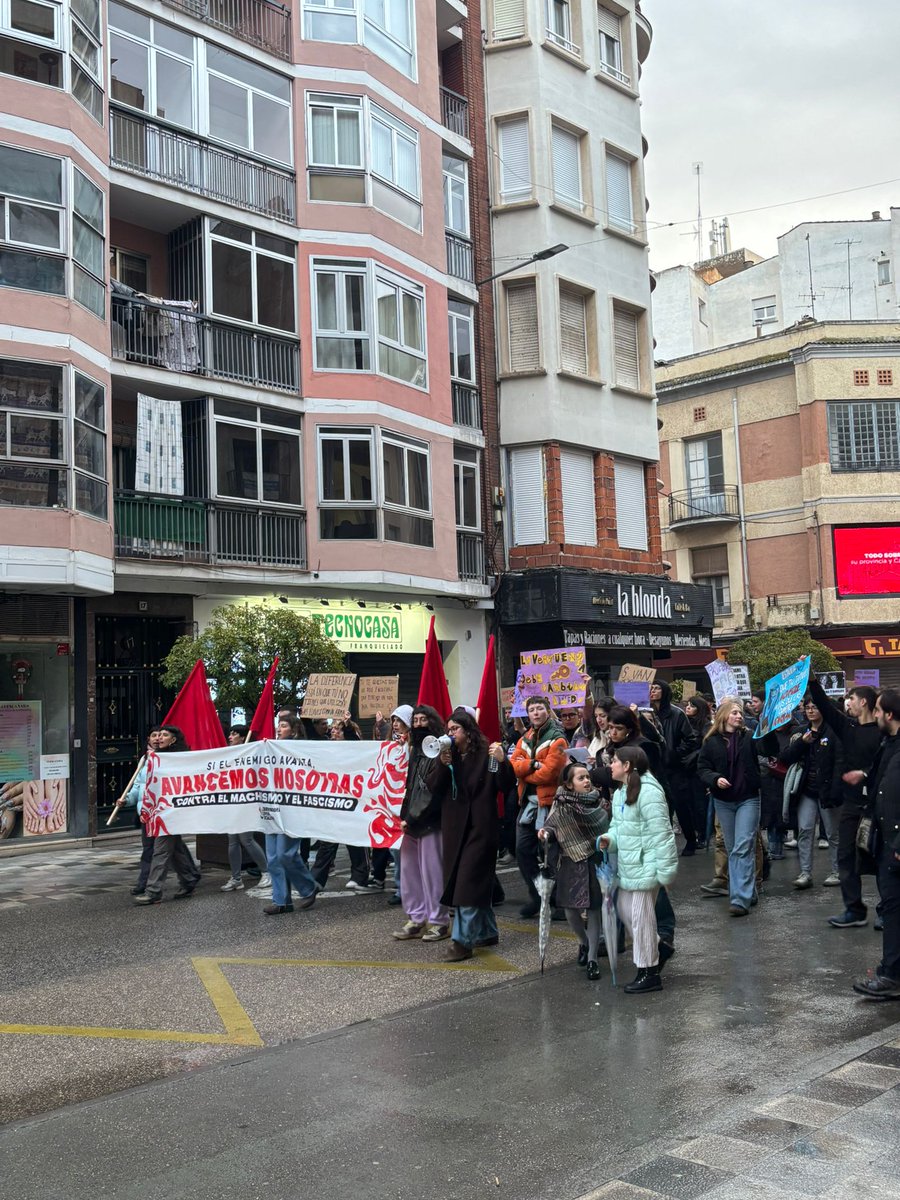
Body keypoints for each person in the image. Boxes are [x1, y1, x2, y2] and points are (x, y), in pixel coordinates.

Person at [426, 708, 514, 961]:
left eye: (455, 729)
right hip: (455, 829)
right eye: (448, 729)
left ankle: (461, 941)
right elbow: (434, 787)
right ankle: (487, 931)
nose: (450, 733)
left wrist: (502, 761)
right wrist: (442, 767)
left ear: (468, 731)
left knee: (466, 885)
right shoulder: (447, 755)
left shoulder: (487, 754)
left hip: (481, 828)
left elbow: (504, 785)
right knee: (472, 882)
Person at [598, 746, 678, 994]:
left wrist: (665, 871)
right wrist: (609, 840)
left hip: (646, 866)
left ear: (628, 766)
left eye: (614, 761)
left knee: (641, 918)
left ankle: (649, 972)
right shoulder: (622, 791)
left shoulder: (649, 792)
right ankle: (659, 948)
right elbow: (618, 827)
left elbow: (662, 834)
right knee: (624, 909)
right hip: (630, 866)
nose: (610, 765)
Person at [806, 678, 881, 930]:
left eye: (852, 698)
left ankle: (886, 910)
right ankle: (854, 909)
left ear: (863, 702)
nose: (847, 702)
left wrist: (866, 774)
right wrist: (812, 679)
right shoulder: (847, 727)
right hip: (851, 804)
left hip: (878, 805)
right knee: (846, 855)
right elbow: (826, 707)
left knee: (881, 858)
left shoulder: (884, 731)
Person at [538, 762, 610, 980]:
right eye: (581, 778)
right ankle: (584, 942)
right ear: (568, 785)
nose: (587, 781)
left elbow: (609, 826)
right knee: (570, 910)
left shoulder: (601, 803)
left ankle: (592, 959)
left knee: (595, 909)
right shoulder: (560, 804)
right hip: (570, 861)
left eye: (587, 777)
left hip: (594, 859)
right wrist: (545, 833)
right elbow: (551, 825)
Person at [852, 689, 900, 1000]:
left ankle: (891, 976)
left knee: (894, 910)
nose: (876, 715)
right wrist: (866, 775)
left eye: (880, 711)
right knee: (892, 907)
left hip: (896, 843)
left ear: (890, 715)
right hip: (886, 840)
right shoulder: (890, 744)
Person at [698, 698, 762, 917]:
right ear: (724, 715)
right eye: (735, 712)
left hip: (748, 798)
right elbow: (703, 768)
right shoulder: (711, 741)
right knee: (734, 846)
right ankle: (749, 890)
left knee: (743, 846)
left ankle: (739, 899)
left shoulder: (749, 736)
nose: (739, 716)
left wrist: (768, 728)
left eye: (741, 713)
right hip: (724, 801)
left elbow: (768, 748)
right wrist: (715, 779)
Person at [392, 705, 451, 942]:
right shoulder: (412, 751)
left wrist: (411, 817)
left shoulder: (439, 751)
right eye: (414, 720)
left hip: (429, 821)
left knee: (432, 873)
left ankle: (439, 922)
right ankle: (416, 918)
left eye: (422, 719)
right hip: (410, 821)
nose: (417, 724)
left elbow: (432, 790)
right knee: (409, 874)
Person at [509, 696, 570, 918]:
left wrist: (526, 773)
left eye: (539, 709)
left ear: (547, 711)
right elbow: (514, 766)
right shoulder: (524, 738)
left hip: (552, 805)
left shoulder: (558, 739)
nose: (535, 713)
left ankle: (560, 902)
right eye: (532, 709)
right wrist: (533, 765)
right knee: (522, 851)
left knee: (554, 855)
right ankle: (539, 896)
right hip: (528, 805)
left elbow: (551, 773)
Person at [778, 695, 841, 891]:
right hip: (807, 789)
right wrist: (802, 743)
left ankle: (837, 871)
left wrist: (837, 789)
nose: (811, 710)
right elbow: (785, 757)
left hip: (828, 789)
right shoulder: (800, 731)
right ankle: (805, 873)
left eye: (815, 706)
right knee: (805, 830)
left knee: (832, 833)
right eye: (808, 707)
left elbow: (840, 760)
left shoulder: (833, 731)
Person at [134, 726, 202, 906]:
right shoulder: (151, 758)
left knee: (161, 851)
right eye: (158, 735)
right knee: (175, 849)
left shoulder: (179, 759)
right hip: (154, 811)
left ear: (173, 740)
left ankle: (153, 891)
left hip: (170, 811)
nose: (160, 738)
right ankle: (189, 879)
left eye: (165, 735)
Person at [262, 718, 319, 916]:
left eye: (284, 726)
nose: (279, 728)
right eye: (278, 725)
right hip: (271, 809)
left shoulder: (300, 749)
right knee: (272, 858)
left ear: (294, 730)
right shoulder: (268, 748)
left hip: (291, 810)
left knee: (285, 854)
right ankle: (281, 901)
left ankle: (309, 887)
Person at [311, 718, 371, 892]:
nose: (334, 732)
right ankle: (316, 880)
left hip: (354, 799)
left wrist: (347, 725)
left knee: (356, 839)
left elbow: (354, 741)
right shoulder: (327, 748)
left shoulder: (354, 749)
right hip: (334, 800)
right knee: (328, 840)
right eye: (333, 730)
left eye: (339, 730)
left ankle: (360, 876)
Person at [650, 681, 700, 855]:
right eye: (651, 688)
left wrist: (674, 753)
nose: (653, 691)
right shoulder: (645, 713)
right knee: (659, 807)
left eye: (657, 688)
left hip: (674, 768)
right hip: (654, 767)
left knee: (680, 805)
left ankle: (691, 840)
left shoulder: (676, 714)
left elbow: (691, 740)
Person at [369, 704, 412, 903]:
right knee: (395, 849)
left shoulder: (415, 745)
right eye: (394, 721)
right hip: (392, 804)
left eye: (399, 721)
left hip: (409, 803)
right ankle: (401, 889)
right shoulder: (391, 746)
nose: (395, 725)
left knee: (407, 849)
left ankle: (409, 889)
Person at [118, 726, 161, 897]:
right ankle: (143, 883)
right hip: (146, 814)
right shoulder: (144, 760)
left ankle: (188, 878)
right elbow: (136, 787)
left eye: (161, 735)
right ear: (148, 739)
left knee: (170, 851)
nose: (157, 738)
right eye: (154, 735)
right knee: (149, 849)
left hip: (164, 812)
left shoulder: (170, 759)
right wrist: (126, 800)